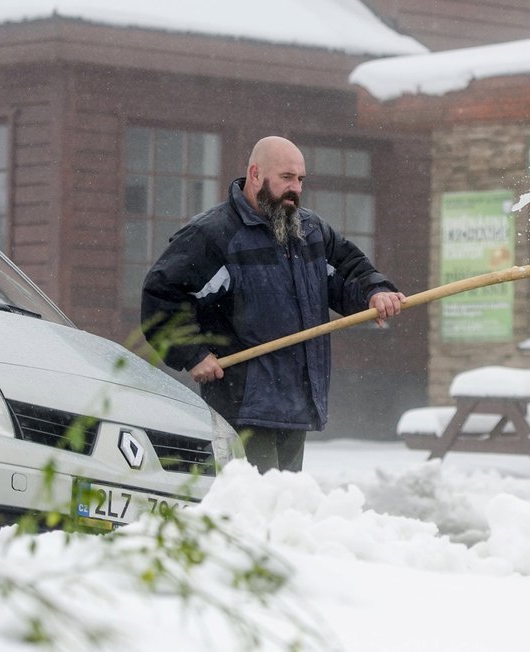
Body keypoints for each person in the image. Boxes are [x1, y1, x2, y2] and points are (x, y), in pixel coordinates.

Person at [141, 136, 406, 473]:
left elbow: (349, 270)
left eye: (300, 179)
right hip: (243, 405)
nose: (295, 188)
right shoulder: (214, 236)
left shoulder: (310, 232)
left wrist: (375, 292)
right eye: (286, 178)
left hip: (297, 402)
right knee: (253, 506)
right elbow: (161, 294)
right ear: (255, 174)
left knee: (283, 506)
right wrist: (192, 353)